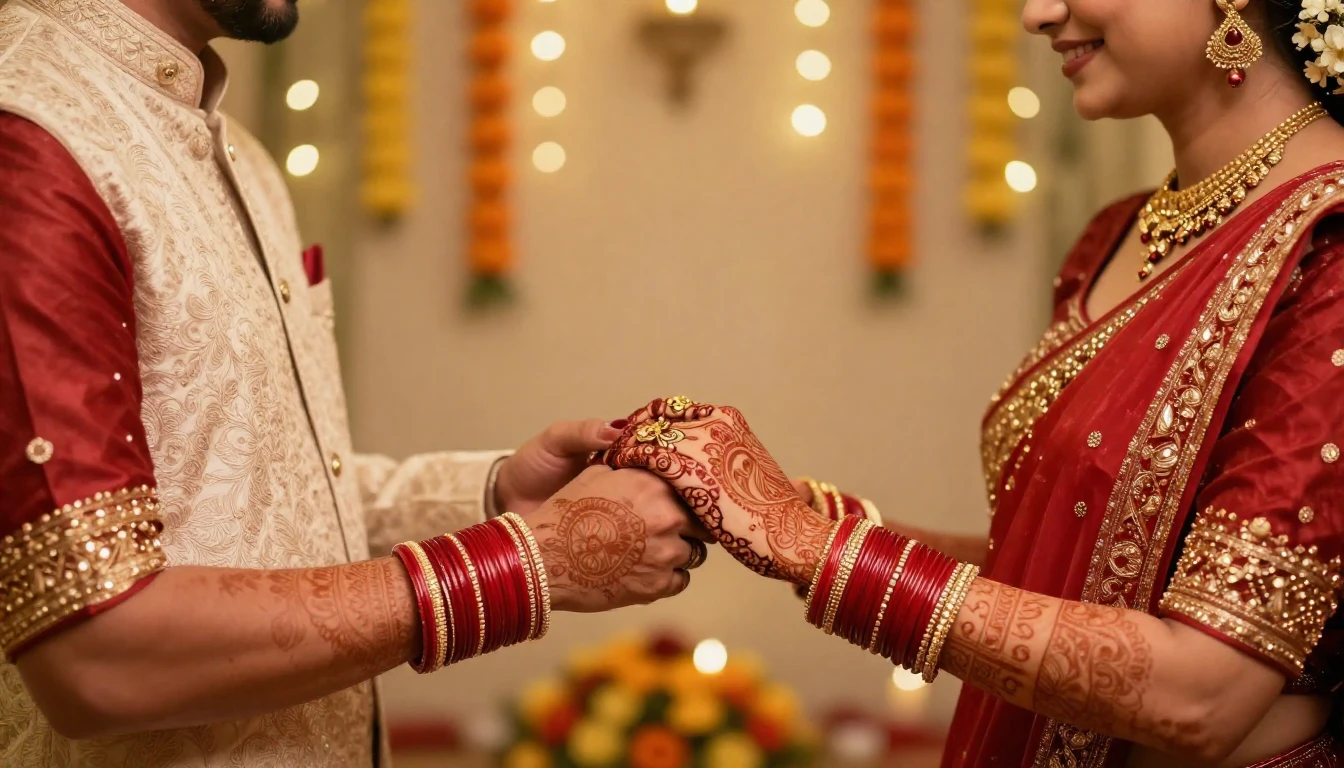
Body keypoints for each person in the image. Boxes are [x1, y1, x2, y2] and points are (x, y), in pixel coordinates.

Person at [602, 0, 1344, 765]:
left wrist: (812, 548)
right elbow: (1078, 573)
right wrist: (807, 519)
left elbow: (1205, 693)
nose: (1037, 13)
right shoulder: (1117, 235)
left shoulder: (1330, 251)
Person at [0, 0, 713, 765]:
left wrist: (497, 497)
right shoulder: (34, 137)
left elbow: (257, 503)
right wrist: (532, 561)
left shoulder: (238, 155)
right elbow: (97, 656)